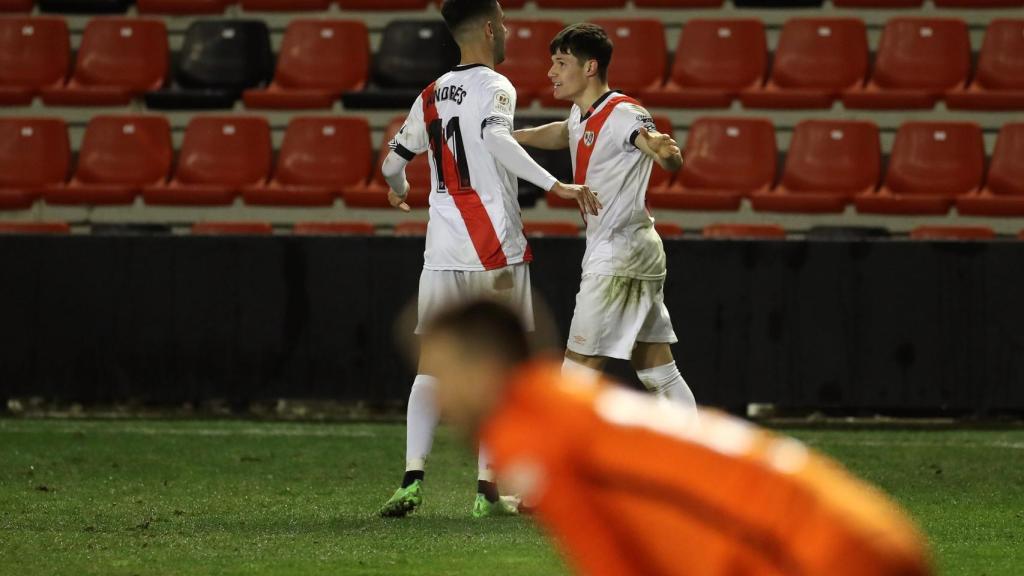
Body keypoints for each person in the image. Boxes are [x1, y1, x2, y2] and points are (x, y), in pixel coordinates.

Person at [421, 300, 933, 576]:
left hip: (819, 555)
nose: (441, 398)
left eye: (445, 374)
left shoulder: (530, 432)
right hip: (853, 527)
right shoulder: (564, 401)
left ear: (484, 370)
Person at [377, 0, 601, 519]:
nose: (507, 30)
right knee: (505, 366)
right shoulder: (496, 86)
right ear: (487, 28)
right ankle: (486, 490)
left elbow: (391, 163)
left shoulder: (430, 93)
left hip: (442, 249)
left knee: (431, 364)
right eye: (502, 22)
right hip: (493, 242)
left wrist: (400, 188)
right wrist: (556, 184)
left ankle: (411, 478)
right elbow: (495, 138)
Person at [513, 23, 696, 409]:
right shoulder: (582, 113)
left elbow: (659, 150)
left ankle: (557, 449)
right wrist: (517, 138)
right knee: (659, 371)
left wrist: (666, 153)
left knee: (575, 374)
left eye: (561, 63)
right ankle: (701, 447)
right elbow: (565, 132)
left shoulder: (624, 113)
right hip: (635, 248)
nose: (551, 72)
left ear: (590, 67)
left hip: (618, 255)